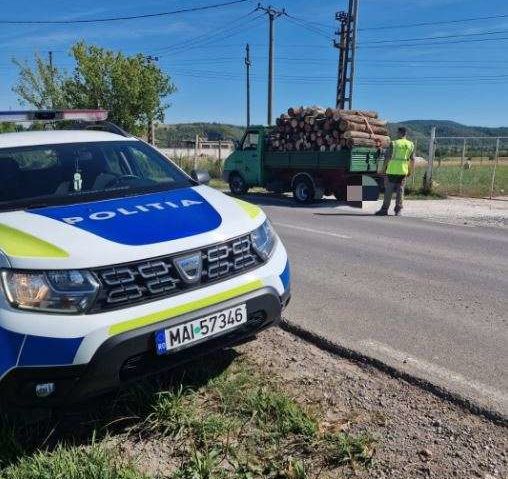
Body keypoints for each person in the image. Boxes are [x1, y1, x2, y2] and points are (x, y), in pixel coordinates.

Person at [375, 127, 415, 216]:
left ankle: (384, 210)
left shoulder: (394, 143)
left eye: (397, 132)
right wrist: (410, 170)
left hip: (392, 171)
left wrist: (383, 169)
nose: (397, 134)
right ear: (406, 134)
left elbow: (387, 158)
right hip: (403, 171)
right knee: (400, 191)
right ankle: (398, 210)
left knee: (388, 191)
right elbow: (412, 159)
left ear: (400, 133)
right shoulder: (410, 144)